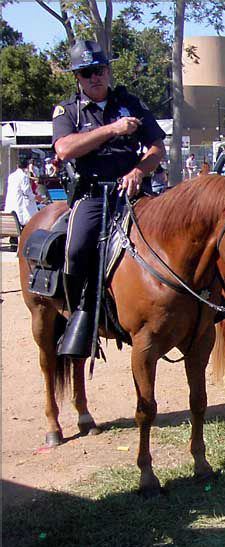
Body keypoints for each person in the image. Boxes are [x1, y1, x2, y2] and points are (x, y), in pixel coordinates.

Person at [52, 39, 166, 358]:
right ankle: (79, 317)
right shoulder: (68, 110)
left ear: (107, 70)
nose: (95, 78)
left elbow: (158, 147)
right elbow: (64, 149)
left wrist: (139, 171)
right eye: (87, 73)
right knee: (75, 251)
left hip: (132, 191)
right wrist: (113, 129)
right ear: (77, 77)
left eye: (99, 70)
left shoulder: (130, 103)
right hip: (93, 194)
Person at [4, 157, 44, 240]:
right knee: (28, 218)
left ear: (17, 165)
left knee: (16, 221)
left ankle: (13, 241)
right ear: (26, 166)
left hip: (11, 205)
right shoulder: (24, 177)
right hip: (21, 207)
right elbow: (27, 192)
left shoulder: (11, 176)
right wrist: (37, 198)